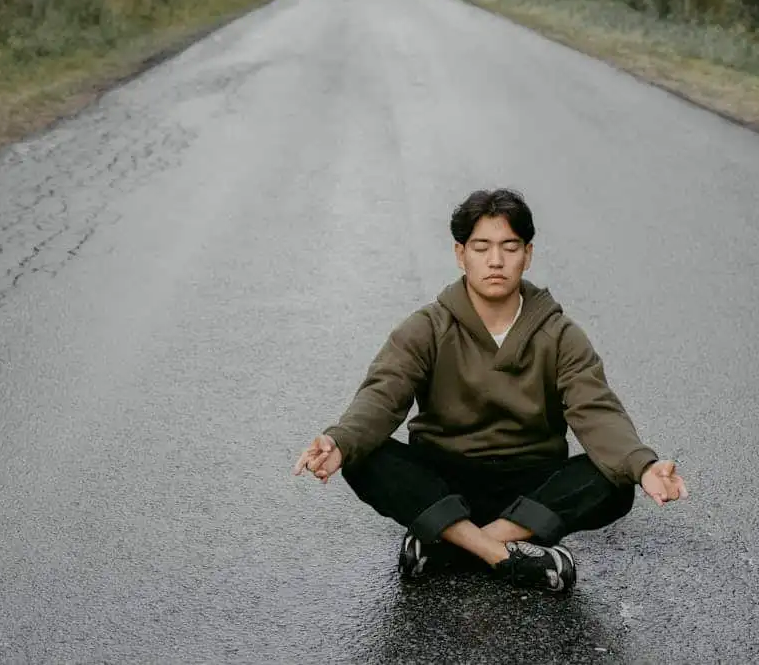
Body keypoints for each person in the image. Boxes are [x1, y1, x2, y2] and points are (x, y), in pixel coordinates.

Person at [292, 188, 688, 593]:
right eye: (481, 247)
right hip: (445, 480)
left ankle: (452, 542)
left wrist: (643, 466)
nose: (495, 261)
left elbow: (596, 409)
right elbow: (382, 395)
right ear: (460, 254)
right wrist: (340, 441)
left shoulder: (559, 334)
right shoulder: (427, 326)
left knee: (616, 479)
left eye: (509, 247)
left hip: (530, 485)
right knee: (363, 456)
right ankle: (506, 555)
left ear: (527, 254)